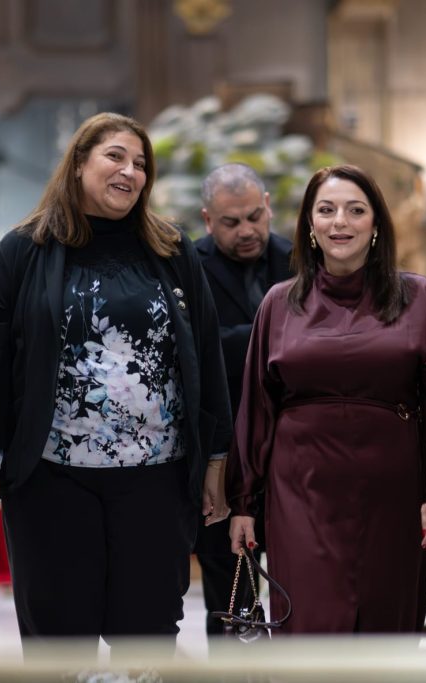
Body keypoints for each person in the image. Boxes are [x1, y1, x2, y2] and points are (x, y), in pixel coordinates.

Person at [0, 112, 233, 647]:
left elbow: (207, 354)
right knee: (59, 643)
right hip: (51, 481)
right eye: (115, 156)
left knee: (147, 640)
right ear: (78, 163)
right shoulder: (23, 250)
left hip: (157, 481)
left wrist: (216, 459)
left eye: (140, 163)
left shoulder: (172, 249)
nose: (130, 171)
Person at [226, 164, 426, 634]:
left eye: (355, 210)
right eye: (327, 210)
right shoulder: (279, 303)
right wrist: (243, 502)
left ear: (376, 224)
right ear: (310, 224)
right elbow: (257, 410)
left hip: (393, 494)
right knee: (310, 628)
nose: (340, 221)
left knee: (385, 628)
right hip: (301, 493)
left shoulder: (418, 297)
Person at [192, 163, 293, 639]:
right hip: (223, 454)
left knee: (300, 587)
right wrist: (276, 336)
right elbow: (197, 348)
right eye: (231, 223)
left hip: (291, 450)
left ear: (267, 205)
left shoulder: (299, 260)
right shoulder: (190, 265)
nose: (247, 230)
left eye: (254, 216)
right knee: (230, 598)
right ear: (208, 220)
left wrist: (236, 340)